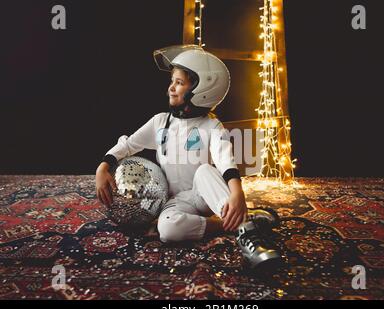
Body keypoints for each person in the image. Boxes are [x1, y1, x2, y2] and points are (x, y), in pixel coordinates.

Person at [95, 45, 281, 269]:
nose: (171, 88)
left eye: (179, 83)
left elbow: (225, 161)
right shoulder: (160, 122)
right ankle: (233, 222)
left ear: (202, 90)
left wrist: (237, 192)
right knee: (167, 230)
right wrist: (103, 167)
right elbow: (128, 144)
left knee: (204, 171)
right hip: (175, 201)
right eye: (172, 81)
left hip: (203, 194)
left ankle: (248, 237)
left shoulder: (212, 125)